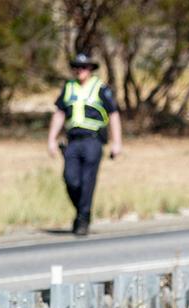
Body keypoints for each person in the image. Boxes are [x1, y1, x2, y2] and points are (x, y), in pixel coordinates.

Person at [47, 52, 123, 236]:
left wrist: (117, 142)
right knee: (71, 180)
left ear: (90, 69)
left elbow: (113, 114)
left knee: (87, 182)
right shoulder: (69, 88)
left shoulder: (100, 88)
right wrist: (51, 139)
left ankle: (83, 219)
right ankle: (81, 211)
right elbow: (59, 113)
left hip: (93, 140)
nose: (80, 70)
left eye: (84, 67)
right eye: (77, 67)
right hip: (72, 141)